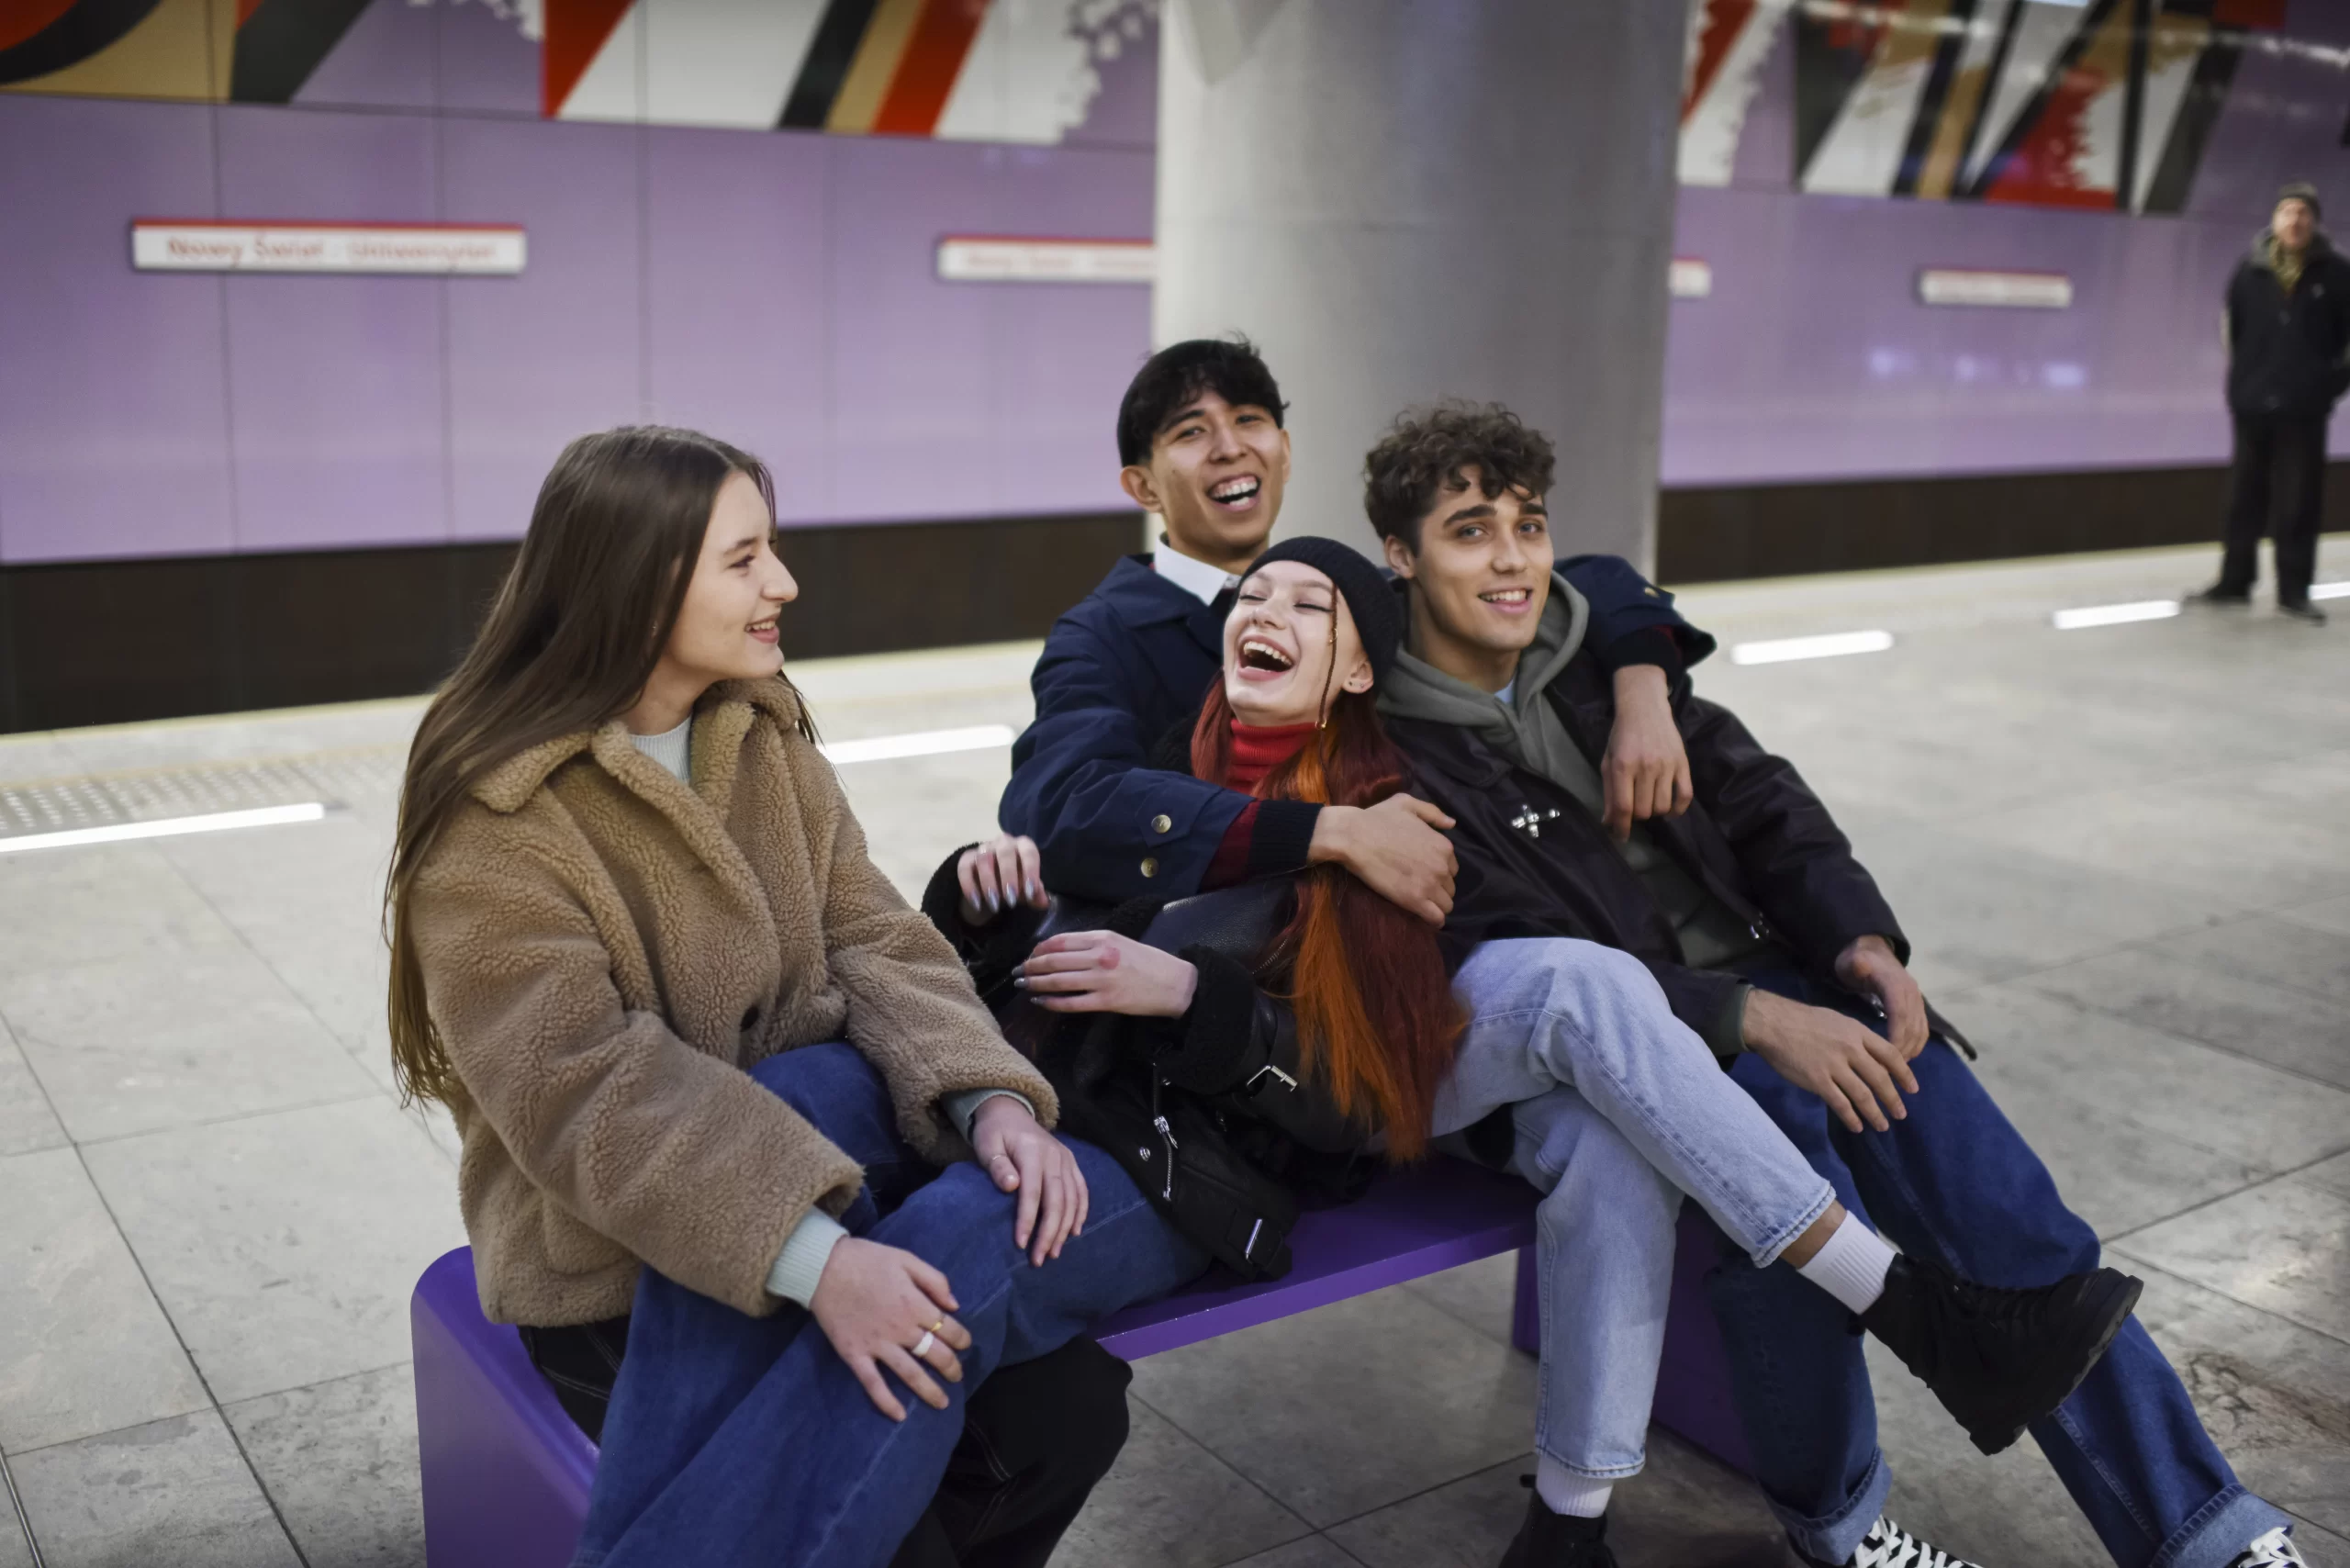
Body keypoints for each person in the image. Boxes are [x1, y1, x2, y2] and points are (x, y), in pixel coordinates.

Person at [966, 539, 2145, 1568]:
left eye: (1305, 605)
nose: (1265, 616)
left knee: (1604, 1139)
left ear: (1360, 665)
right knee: (1585, 985)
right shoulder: (1168, 773)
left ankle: (1570, 1525)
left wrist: (1636, 670)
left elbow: (1586, 578)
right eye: (1252, 601)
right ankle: (1907, 1310)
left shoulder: (1397, 781)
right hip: (1292, 1098)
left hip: (1394, 1056)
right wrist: (1007, 881)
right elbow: (1075, 839)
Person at [1364, 402, 2313, 1568]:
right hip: (1666, 1039)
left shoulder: (1605, 653)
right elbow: (1522, 951)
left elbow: (1764, 804)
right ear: (1402, 556)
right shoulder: (1397, 751)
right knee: (1796, 1223)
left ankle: (2204, 1529)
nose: (1511, 558)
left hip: (1790, 973)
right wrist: (1754, 1021)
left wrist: (1860, 942)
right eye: (1470, 531)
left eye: (1528, 524)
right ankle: (1842, 1527)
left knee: (2006, 1214)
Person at [382, 426, 1210, 1568]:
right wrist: (817, 1264)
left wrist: (987, 1101)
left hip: (834, 1168)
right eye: (745, 557)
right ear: (636, 578)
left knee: (1065, 1419)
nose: (785, 582)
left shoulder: (757, 733)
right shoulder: (500, 814)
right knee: (895, 1484)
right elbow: (581, 1091)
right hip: (621, 1258)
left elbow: (875, 936)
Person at [999, 336, 1711, 927]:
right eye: (1190, 432)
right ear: (1144, 487)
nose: (1228, 448)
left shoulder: (1348, 590)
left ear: (1283, 449)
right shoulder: (1099, 635)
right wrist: (1324, 833)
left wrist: (1643, 692)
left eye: (1249, 420)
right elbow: (1062, 806)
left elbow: (1584, 579)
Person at [2192, 181, 2350, 624]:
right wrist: (2241, 382)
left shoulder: (2336, 274)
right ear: (2274, 219)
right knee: (2243, 496)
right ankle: (2235, 581)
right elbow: (2231, 331)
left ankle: (2294, 589)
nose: (2295, 220)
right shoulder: (2250, 270)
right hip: (2252, 403)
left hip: (2305, 406)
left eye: (2303, 213)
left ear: (2314, 221)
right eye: (2287, 212)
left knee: (2299, 500)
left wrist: (2330, 384)